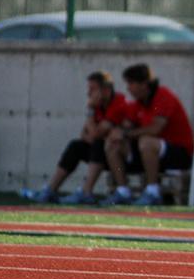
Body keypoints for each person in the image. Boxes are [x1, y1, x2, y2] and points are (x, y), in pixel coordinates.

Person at [21, 71, 126, 205]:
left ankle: (86, 192)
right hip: (102, 152)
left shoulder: (118, 103)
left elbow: (94, 135)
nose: (89, 93)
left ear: (106, 90)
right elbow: (84, 134)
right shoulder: (98, 106)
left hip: (120, 155)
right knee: (76, 146)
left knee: (98, 144)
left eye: (92, 89)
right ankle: (51, 190)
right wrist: (94, 133)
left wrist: (90, 111)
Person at [101, 64, 194, 207]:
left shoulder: (162, 97)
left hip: (178, 154)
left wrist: (125, 133)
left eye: (131, 83)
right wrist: (118, 132)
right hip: (149, 154)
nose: (128, 88)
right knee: (112, 144)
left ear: (144, 84)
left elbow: (155, 129)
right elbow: (126, 125)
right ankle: (123, 190)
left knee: (147, 141)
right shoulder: (139, 103)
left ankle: (153, 191)